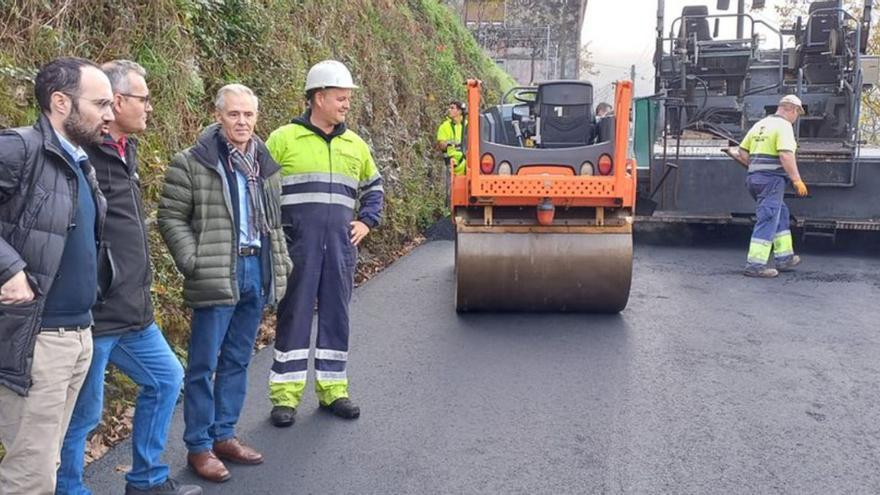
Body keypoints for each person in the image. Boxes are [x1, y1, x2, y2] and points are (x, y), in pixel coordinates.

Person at [56, 60, 201, 495]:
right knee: (82, 415)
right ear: (117, 102)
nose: (150, 107)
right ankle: (68, 489)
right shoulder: (81, 154)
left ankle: (147, 480)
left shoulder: (125, 150)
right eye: (144, 98)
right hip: (95, 314)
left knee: (167, 379)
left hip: (134, 311)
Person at [157, 84, 291, 483]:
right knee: (202, 365)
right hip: (217, 270)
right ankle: (199, 446)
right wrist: (194, 261)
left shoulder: (264, 164)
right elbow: (171, 217)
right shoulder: (192, 162)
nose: (242, 122)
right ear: (218, 116)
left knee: (237, 359)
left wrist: (280, 264)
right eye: (234, 114)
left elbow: (275, 222)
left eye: (248, 114)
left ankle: (224, 435)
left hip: (256, 269)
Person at [0, 56, 113, 495]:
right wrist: (9, 269)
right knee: (31, 477)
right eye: (100, 104)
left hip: (78, 335)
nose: (109, 114)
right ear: (61, 102)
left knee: (44, 462)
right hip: (38, 340)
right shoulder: (21, 148)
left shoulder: (79, 162)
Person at [266, 60, 384, 427]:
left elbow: (375, 188)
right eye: (340, 98)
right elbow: (261, 193)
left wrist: (366, 221)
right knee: (294, 315)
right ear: (319, 98)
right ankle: (285, 397)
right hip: (297, 247)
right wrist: (275, 235)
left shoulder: (355, 145)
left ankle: (333, 390)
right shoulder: (283, 139)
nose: (347, 104)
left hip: (340, 249)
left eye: (348, 98)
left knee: (336, 317)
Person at [737, 94, 808, 278]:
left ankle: (785, 258)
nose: (796, 118)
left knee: (780, 212)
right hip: (772, 181)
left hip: (754, 179)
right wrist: (796, 179)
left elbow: (742, 152)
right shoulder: (784, 126)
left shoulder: (760, 124)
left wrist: (757, 166)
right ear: (793, 110)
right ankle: (755, 266)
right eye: (797, 113)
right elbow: (785, 155)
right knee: (768, 218)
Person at [436, 100, 466, 175]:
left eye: (452, 108)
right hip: (452, 164)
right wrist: (451, 142)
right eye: (449, 108)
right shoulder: (444, 126)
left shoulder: (467, 125)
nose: (449, 110)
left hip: (467, 164)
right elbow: (441, 145)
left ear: (459, 111)